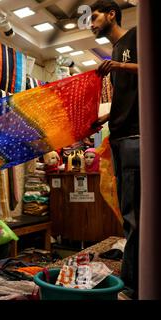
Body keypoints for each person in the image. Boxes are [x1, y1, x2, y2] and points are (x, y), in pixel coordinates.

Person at [90, 0, 140, 298]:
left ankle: (133, 287)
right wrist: (105, 117)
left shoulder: (133, 37)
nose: (91, 22)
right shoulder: (116, 49)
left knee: (134, 217)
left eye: (94, 16)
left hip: (134, 137)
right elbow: (128, 95)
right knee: (128, 215)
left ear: (111, 14)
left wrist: (119, 65)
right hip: (120, 137)